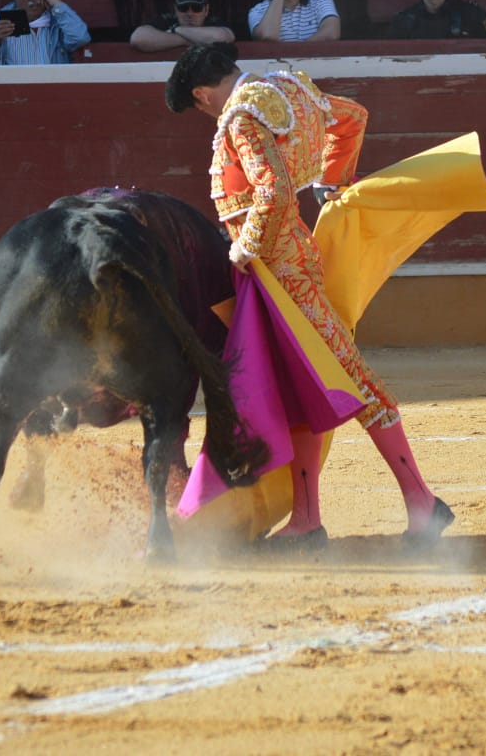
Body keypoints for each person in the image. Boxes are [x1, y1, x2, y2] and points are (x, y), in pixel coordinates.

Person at [163, 43, 455, 547]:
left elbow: (273, 190)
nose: (203, 112)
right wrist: (333, 181)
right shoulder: (290, 87)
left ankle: (423, 502)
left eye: (198, 105)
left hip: (277, 270)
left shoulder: (241, 117)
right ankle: (305, 519)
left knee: (349, 377)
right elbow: (353, 118)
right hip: (285, 261)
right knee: (301, 387)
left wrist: (245, 249)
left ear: (202, 93)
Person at [130, 0, 236, 51]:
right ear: (175, 9)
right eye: (183, 8)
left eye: (196, 8)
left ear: (206, 10)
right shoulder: (167, 20)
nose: (190, 13)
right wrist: (190, 40)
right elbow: (137, 38)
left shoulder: (213, 22)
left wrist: (177, 30)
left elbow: (224, 37)